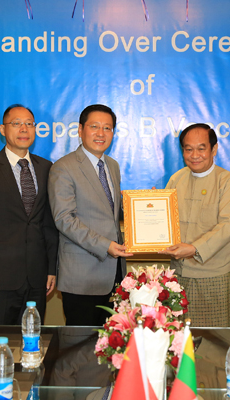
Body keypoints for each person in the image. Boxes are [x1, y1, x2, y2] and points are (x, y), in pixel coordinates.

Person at [0, 104, 58, 324]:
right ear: (3, 129)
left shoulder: (46, 168)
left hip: (37, 277)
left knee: (33, 339)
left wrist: (51, 269)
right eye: (16, 123)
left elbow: (49, 224)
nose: (23, 129)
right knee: (0, 339)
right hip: (0, 279)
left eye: (29, 124)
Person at [48, 104, 131, 326]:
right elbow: (64, 219)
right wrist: (105, 245)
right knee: (81, 342)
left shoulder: (112, 165)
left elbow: (111, 209)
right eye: (94, 126)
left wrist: (142, 206)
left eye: (107, 128)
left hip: (114, 274)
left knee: (112, 341)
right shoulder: (63, 167)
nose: (101, 133)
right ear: (80, 129)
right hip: (82, 276)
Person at [160, 123, 230, 327]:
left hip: (211, 275)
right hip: (177, 273)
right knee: (175, 335)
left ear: (214, 149)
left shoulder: (226, 181)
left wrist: (194, 248)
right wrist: (153, 206)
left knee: (211, 337)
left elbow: (228, 225)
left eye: (201, 148)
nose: (194, 155)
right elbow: (165, 221)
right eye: (188, 149)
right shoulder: (176, 179)